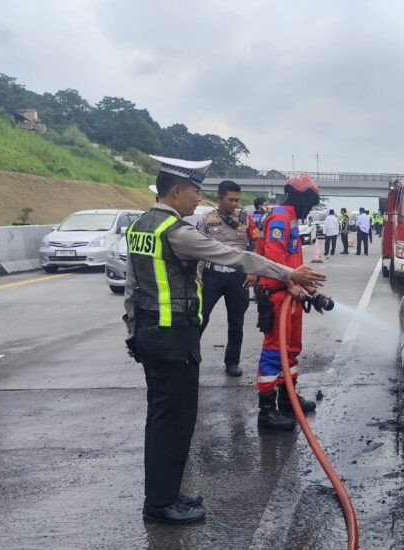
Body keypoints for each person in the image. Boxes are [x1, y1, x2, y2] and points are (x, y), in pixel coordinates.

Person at [124, 156, 325, 524]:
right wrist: (288, 272)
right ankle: (159, 504)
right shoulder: (176, 231)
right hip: (173, 339)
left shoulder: (141, 225)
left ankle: (165, 493)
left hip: (150, 335)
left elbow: (132, 287)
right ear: (175, 190)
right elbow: (234, 256)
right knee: (175, 421)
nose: (198, 198)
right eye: (195, 190)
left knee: (162, 419)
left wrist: (131, 330)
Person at [255, 174, 325, 430]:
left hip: (290, 296)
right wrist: (290, 285)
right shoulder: (280, 219)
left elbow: (290, 262)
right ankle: (266, 409)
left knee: (291, 349)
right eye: (310, 202)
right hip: (277, 297)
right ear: (300, 196)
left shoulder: (291, 220)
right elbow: (274, 262)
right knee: (275, 350)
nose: (310, 208)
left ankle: (288, 399)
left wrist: (304, 287)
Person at [197, 180, 253, 377]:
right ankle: (191, 360)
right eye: (231, 199)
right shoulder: (206, 219)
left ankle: (232, 362)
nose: (235, 204)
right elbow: (197, 250)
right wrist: (198, 276)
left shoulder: (245, 219)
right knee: (200, 318)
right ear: (220, 198)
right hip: (212, 276)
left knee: (236, 322)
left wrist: (252, 272)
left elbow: (253, 247)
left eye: (237, 200)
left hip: (237, 277)